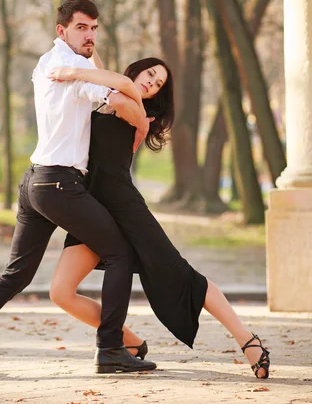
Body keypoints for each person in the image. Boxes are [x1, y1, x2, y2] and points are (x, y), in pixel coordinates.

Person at [0, 0, 157, 379]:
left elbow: (97, 75)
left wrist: (92, 60)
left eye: (94, 28)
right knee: (120, 252)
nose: (89, 35)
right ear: (62, 30)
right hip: (59, 183)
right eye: (81, 27)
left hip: (36, 181)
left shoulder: (50, 60)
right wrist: (141, 121)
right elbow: (123, 96)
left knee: (16, 274)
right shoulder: (72, 69)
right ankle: (110, 350)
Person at [47, 58, 271, 380]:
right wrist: (88, 54)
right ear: (136, 69)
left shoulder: (135, 107)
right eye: (150, 74)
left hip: (125, 208)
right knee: (61, 292)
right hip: (90, 208)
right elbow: (104, 73)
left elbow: (118, 86)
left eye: (159, 84)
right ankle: (131, 344)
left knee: (181, 274)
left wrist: (72, 72)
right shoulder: (107, 96)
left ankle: (249, 341)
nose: (152, 83)